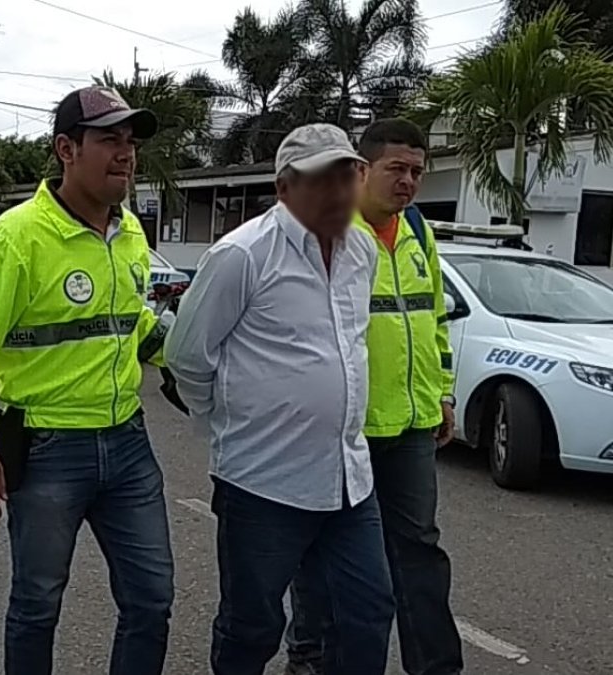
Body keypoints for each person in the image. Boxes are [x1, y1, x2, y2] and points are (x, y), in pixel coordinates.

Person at [0, 86, 175, 675]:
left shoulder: (130, 232)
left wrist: (186, 357)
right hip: (46, 451)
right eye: (108, 140)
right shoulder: (16, 238)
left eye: (130, 142)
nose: (125, 154)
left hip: (126, 444)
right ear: (67, 149)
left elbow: (128, 324)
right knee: (37, 603)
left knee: (152, 600)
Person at [165, 123, 396, 675]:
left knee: (368, 609)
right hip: (263, 481)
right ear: (285, 187)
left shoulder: (362, 250)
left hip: (348, 478)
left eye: (348, 174)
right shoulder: (242, 255)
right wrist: (228, 421)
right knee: (253, 624)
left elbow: (347, 345)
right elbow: (187, 355)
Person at [284, 117, 463, 675]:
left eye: (417, 171)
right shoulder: (330, 233)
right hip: (346, 430)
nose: (408, 182)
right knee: (325, 556)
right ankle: (310, 655)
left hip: (409, 426)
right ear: (362, 171)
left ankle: (436, 667)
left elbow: (433, 320)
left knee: (419, 553)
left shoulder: (418, 234)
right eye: (396, 169)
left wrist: (443, 394)